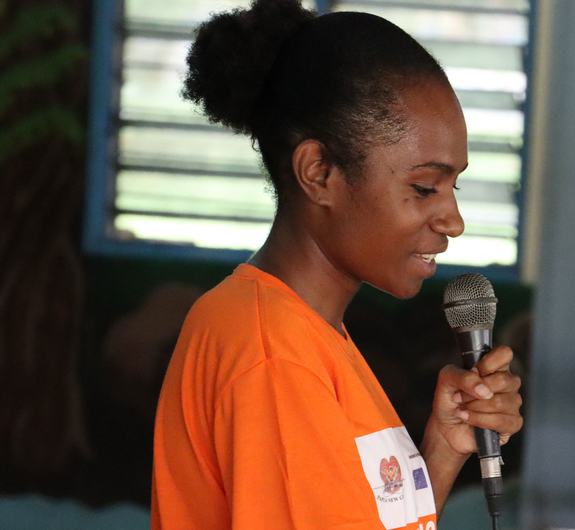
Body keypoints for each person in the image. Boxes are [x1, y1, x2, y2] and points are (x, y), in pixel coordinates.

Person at [150, 1, 524, 529]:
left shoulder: (308, 336)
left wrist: (441, 451)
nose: (453, 220)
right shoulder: (273, 356)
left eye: (452, 186)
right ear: (319, 171)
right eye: (423, 188)